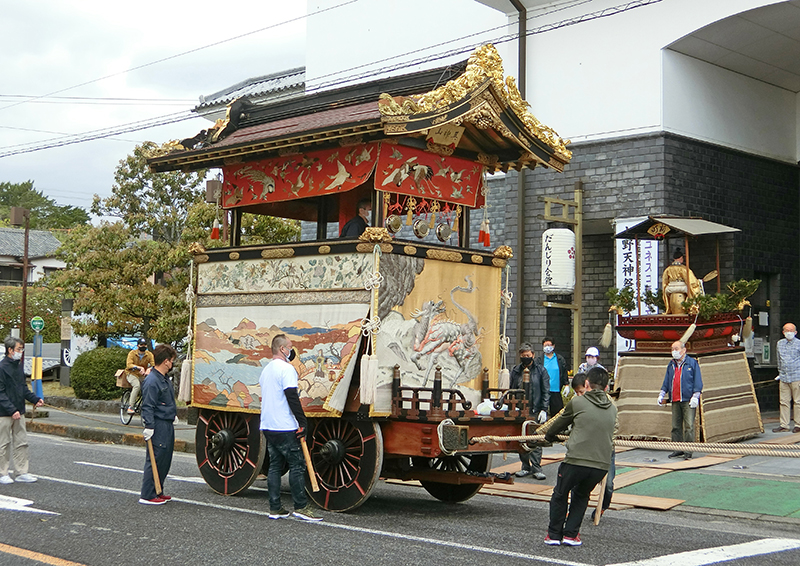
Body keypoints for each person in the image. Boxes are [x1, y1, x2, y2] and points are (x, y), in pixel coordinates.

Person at [544, 367, 617, 547]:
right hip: (600, 465)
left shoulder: (578, 403)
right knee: (582, 495)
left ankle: (554, 534)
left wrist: (548, 437)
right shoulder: (613, 409)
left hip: (576, 459)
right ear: (607, 388)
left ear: (586, 384)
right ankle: (571, 535)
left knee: (560, 493)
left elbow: (557, 426)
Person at [260, 334, 322, 521]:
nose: (292, 350)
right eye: (290, 346)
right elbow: (292, 397)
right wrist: (302, 422)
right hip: (285, 425)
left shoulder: (266, 370)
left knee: (275, 466)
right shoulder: (287, 369)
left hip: (268, 425)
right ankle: (301, 506)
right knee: (297, 465)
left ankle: (275, 507)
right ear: (282, 349)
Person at [0, 336, 44, 484]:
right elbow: (0, 393)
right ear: (10, 350)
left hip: (20, 410)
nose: (21, 352)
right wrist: (12, 410)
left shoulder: (19, 366)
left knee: (21, 442)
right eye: (19, 349)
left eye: (22, 349)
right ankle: (2, 473)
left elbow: (23, 389)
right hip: (4, 413)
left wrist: (35, 399)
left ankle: (21, 472)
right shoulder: (1, 368)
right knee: (3, 443)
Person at [139, 344, 177, 505]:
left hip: (167, 422)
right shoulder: (152, 380)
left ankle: (158, 489)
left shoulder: (163, 378)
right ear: (166, 361)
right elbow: (148, 405)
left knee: (165, 458)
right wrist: (149, 426)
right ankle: (147, 494)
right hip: (158, 424)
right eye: (172, 361)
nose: (172, 364)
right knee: (156, 457)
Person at [658, 340, 703, 460]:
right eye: (672, 349)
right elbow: (667, 380)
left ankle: (688, 450)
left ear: (684, 350)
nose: (674, 351)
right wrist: (662, 394)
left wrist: (696, 396)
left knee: (689, 426)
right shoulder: (671, 364)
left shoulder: (692, 363)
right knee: (676, 426)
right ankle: (677, 449)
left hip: (688, 399)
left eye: (676, 349)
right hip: (675, 399)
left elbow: (698, 380)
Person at [511, 343, 549, 480]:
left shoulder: (541, 371)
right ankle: (525, 466)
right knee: (522, 438)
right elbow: (512, 389)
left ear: (533, 355)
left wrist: (544, 409)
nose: (526, 358)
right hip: (520, 409)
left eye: (528, 355)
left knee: (535, 439)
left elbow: (545, 391)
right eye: (523, 356)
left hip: (535, 408)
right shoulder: (516, 371)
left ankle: (537, 467)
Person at [774, 323, 800, 433]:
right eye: (786, 330)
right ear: (783, 332)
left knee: (798, 401)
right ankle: (784, 425)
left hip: (797, 376)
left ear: (795, 332)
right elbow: (778, 359)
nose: (789, 332)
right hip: (784, 377)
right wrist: (780, 372)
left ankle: (798, 424)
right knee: (783, 401)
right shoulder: (779, 344)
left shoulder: (799, 344)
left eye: (791, 330)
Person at [662, 248, 703, 314]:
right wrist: (698, 282)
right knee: (693, 290)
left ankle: (670, 308)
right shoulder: (683, 269)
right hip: (681, 287)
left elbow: (665, 282)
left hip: (670, 288)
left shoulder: (668, 269)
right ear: (681, 258)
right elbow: (691, 281)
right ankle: (688, 307)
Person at [541, 337, 570, 417]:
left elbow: (564, 372)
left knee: (557, 415)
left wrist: (566, 384)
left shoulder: (560, 359)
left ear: (553, 346)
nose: (547, 347)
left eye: (549, 345)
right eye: (545, 345)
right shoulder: (540, 360)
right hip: (543, 391)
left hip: (556, 390)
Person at [125, 338, 155, 414]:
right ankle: (131, 406)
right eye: (141, 344)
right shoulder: (132, 353)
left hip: (143, 375)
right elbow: (129, 365)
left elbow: (153, 365)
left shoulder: (149, 354)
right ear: (138, 345)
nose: (143, 346)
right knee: (137, 386)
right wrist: (139, 367)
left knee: (149, 386)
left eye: (144, 344)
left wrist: (149, 369)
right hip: (131, 373)